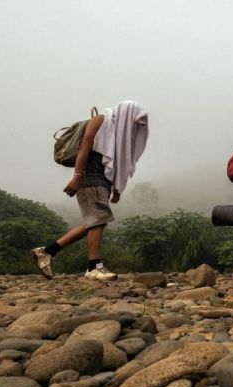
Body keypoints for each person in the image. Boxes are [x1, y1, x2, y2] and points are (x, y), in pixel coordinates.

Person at [32, 101, 148, 281]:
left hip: (102, 182)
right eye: (134, 121)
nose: (134, 127)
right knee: (98, 220)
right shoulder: (100, 121)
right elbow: (84, 149)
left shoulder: (119, 134)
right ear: (126, 114)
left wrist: (116, 188)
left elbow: (117, 161)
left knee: (94, 222)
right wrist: (77, 177)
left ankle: (47, 251)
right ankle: (93, 267)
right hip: (88, 178)